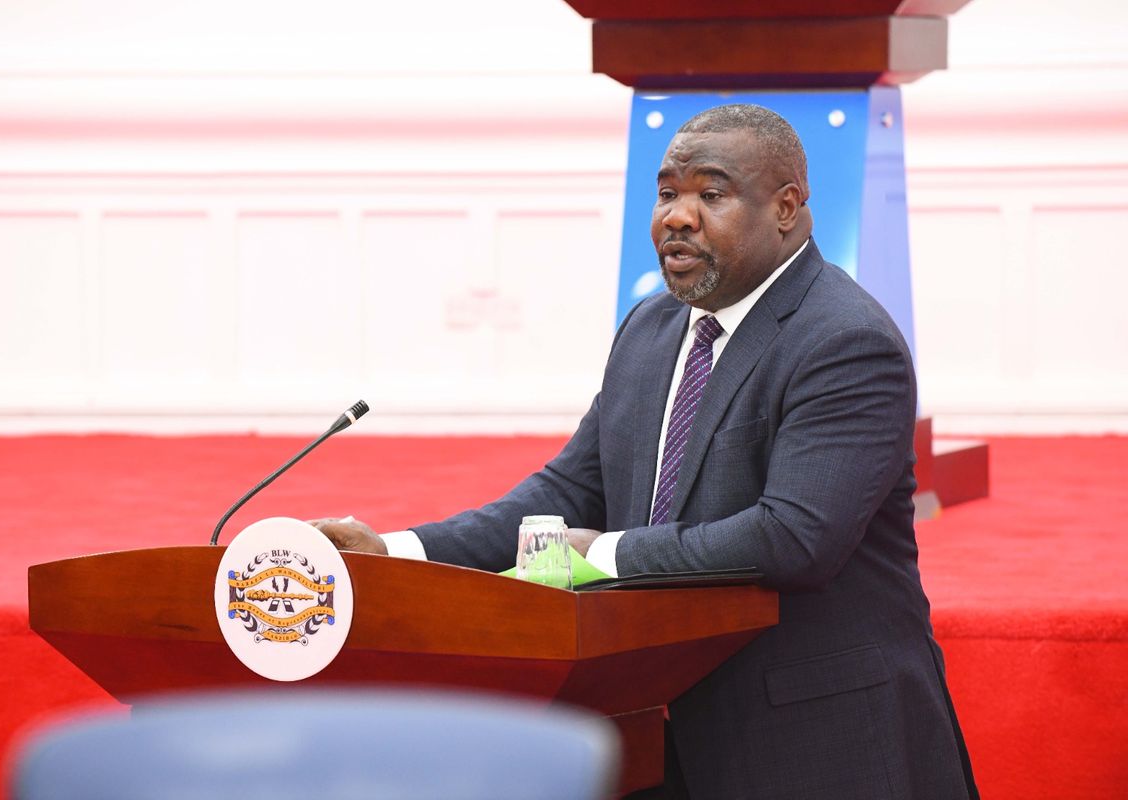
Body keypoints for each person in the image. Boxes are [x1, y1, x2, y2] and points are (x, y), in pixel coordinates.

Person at [311, 104, 979, 799]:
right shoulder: (651, 329)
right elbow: (568, 494)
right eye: (666, 193)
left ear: (786, 208)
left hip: (813, 737)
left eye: (711, 194)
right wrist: (397, 553)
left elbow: (795, 538)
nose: (677, 218)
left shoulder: (844, 340)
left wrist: (605, 555)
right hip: (651, 726)